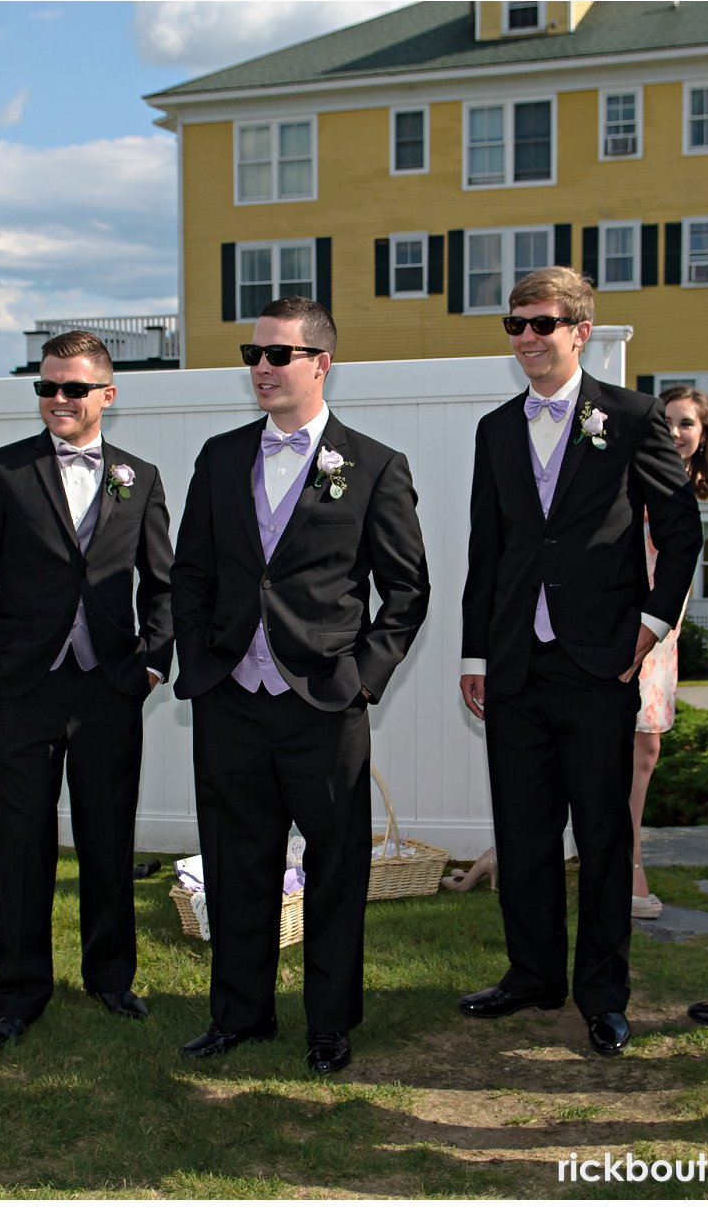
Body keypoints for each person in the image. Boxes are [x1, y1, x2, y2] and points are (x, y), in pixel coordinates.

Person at [171, 296, 430, 1076]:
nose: (261, 367)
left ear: (320, 363)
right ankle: (240, 1015)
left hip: (324, 704)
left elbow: (407, 590)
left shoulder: (375, 463)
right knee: (236, 861)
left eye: (278, 354)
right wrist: (204, 663)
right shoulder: (218, 457)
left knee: (335, 868)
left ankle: (329, 1024)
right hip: (232, 701)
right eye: (253, 353)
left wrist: (362, 680)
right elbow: (190, 573)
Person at [457, 266, 700, 1058]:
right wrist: (475, 650)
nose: (527, 337)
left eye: (542, 323)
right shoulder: (496, 428)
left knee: (601, 835)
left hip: (602, 662)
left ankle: (602, 993)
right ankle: (531, 974)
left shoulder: (629, 417)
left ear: (580, 330)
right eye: (515, 325)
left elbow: (683, 527)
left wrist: (652, 622)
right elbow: (486, 548)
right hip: (516, 664)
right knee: (524, 831)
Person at [0, 330, 174, 1051]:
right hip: (22, 687)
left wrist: (151, 665)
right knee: (21, 844)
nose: (58, 400)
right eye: (47, 387)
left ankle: (111, 978)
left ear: (108, 393)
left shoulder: (139, 476)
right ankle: (18, 992)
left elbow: (165, 583)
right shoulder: (0, 470)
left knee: (108, 838)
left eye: (73, 388)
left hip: (109, 686)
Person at [628, 386, 708, 919]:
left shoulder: (692, 491)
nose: (675, 432)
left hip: (667, 637)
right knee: (622, 751)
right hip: (629, 626)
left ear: (703, 433)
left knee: (648, 751)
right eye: (666, 421)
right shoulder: (636, 479)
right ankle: (629, 865)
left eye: (687, 423)